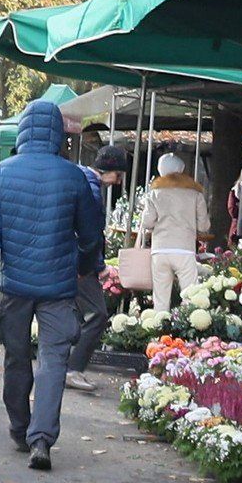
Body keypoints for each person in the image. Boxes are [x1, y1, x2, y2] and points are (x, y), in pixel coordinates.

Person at [0, 100, 104, 472]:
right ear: (58, 133)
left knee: (15, 356)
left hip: (14, 287)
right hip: (58, 287)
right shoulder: (73, 175)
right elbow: (91, 235)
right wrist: (84, 268)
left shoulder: (4, 173)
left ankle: (19, 426)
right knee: (54, 360)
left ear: (24, 129)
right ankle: (41, 438)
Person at [61, 145, 130, 391]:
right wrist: (96, 265)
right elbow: (89, 233)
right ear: (108, 170)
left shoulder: (79, 178)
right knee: (98, 314)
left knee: (74, 314)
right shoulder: (91, 189)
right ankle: (72, 369)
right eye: (118, 174)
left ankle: (63, 365)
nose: (119, 181)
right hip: (80, 263)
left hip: (67, 259)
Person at [138, 153, 206, 312]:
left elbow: (147, 222)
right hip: (185, 249)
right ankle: (188, 328)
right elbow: (203, 226)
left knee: (160, 299)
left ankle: (160, 329)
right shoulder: (195, 194)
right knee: (191, 296)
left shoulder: (154, 193)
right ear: (181, 170)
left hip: (160, 249)